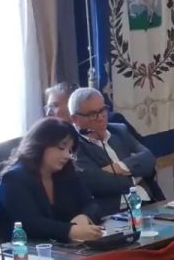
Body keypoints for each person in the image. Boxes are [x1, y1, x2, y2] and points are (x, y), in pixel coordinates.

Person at [0, 118, 103, 244]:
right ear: (40, 145)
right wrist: (70, 230)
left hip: (55, 247)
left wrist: (85, 216)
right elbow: (29, 223)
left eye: (70, 150)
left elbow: (91, 205)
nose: (67, 155)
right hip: (10, 249)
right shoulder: (14, 178)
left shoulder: (67, 173)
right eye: (61, 148)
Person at [68, 87, 164, 217]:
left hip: (148, 202)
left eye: (102, 110)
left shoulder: (119, 130)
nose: (101, 118)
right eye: (92, 114)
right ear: (74, 119)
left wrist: (119, 167)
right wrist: (136, 175)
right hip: (114, 213)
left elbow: (148, 159)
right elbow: (99, 183)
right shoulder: (74, 145)